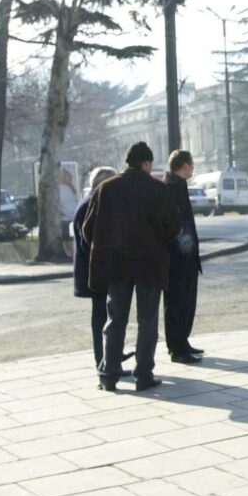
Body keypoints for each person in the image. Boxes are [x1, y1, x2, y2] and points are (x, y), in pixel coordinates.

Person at [82, 142, 180, 392]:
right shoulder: (158, 190)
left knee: (115, 319)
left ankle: (109, 373)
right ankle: (144, 373)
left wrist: (105, 247)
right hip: (150, 263)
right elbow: (174, 227)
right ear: (146, 163)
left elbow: (87, 229)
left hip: (116, 265)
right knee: (147, 320)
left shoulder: (105, 189)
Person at [73, 166, 124, 373]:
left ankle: (109, 357)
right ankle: (103, 360)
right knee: (101, 317)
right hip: (96, 273)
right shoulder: (90, 205)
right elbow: (91, 241)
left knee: (105, 316)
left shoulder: (94, 202)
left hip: (97, 271)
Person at [163, 150, 204, 364]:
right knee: (177, 303)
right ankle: (177, 348)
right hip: (177, 258)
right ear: (184, 166)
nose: (193, 168)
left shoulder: (179, 186)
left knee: (187, 302)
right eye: (192, 164)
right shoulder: (170, 188)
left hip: (187, 256)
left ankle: (183, 342)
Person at [59, 168, 78, 241]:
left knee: (73, 240)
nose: (69, 180)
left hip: (72, 218)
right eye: (66, 177)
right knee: (67, 240)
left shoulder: (70, 189)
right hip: (65, 219)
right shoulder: (59, 189)